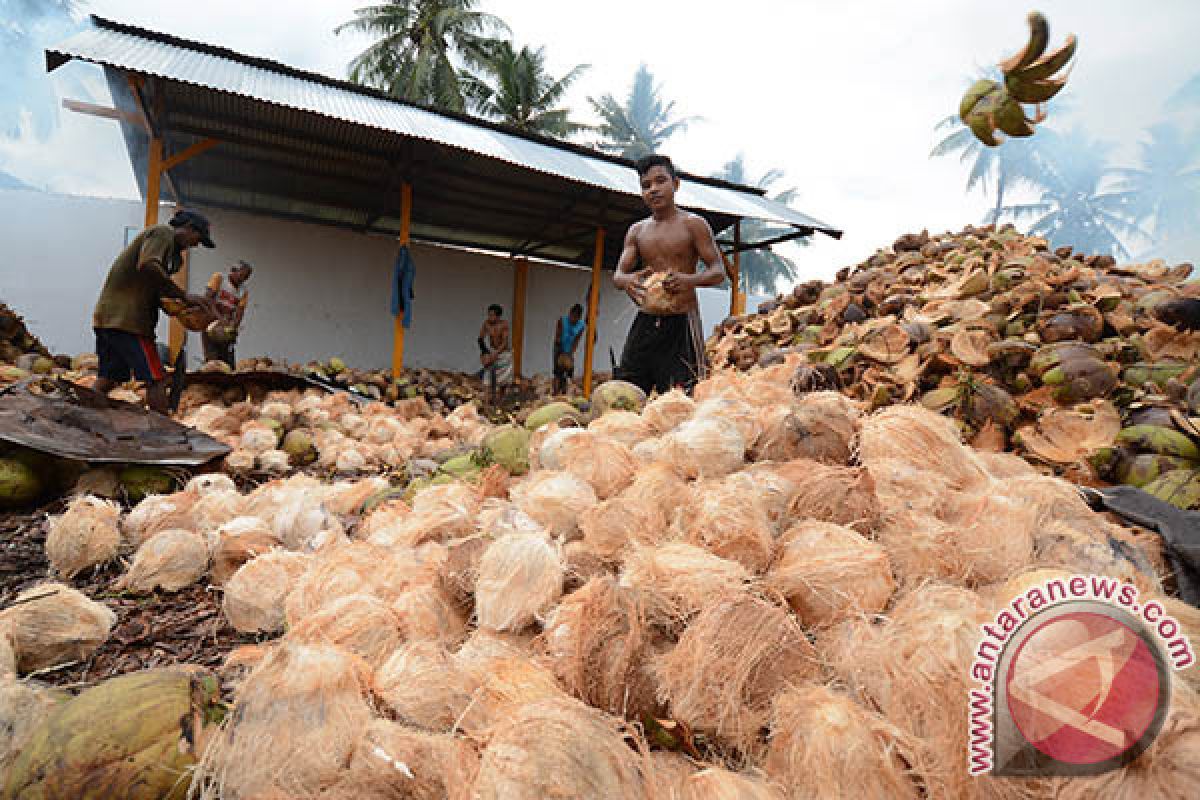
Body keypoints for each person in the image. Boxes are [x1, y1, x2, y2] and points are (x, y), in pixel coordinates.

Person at [612, 154, 726, 394]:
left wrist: (689, 280)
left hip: (682, 320)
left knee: (681, 396)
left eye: (660, 181)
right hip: (646, 321)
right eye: (646, 186)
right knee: (628, 392)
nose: (653, 189)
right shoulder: (637, 231)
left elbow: (718, 272)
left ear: (675, 184)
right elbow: (618, 276)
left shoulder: (694, 224)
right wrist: (629, 281)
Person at [91, 209, 216, 413]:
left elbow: (156, 289)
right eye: (198, 238)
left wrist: (182, 310)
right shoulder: (163, 233)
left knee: (108, 377)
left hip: (108, 318)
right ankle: (165, 434)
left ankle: (84, 414)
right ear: (189, 228)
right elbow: (148, 264)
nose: (196, 245)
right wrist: (184, 295)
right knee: (157, 380)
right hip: (129, 322)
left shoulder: (173, 257)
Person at [202, 260, 253, 368]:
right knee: (212, 362)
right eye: (242, 276)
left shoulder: (243, 291)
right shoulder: (219, 278)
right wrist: (220, 319)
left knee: (227, 364)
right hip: (211, 325)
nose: (243, 280)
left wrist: (233, 328)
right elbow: (207, 300)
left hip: (225, 328)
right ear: (233, 271)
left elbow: (239, 313)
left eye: (246, 277)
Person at [477, 304, 512, 402]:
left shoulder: (504, 324)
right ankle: (487, 404)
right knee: (487, 380)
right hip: (492, 352)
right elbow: (480, 339)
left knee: (503, 382)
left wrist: (496, 353)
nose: (490, 317)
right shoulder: (486, 324)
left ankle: (500, 402)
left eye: (492, 315)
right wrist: (485, 352)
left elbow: (505, 343)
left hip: (504, 354)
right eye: (489, 315)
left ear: (498, 316)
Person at [552, 303, 586, 395]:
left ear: (579, 317)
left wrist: (570, 353)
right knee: (558, 371)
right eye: (572, 316)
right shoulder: (562, 321)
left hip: (569, 349)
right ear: (570, 313)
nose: (573, 319)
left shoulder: (581, 325)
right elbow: (558, 337)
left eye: (576, 318)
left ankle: (564, 392)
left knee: (568, 372)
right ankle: (555, 392)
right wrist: (562, 354)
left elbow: (576, 340)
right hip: (559, 347)